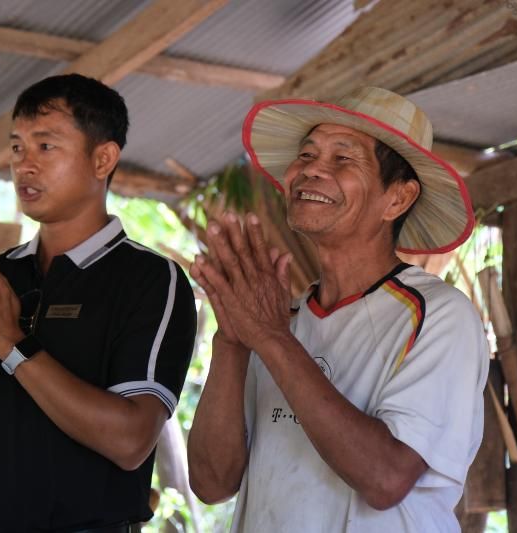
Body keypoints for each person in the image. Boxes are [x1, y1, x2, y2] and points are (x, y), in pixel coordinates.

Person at [0, 73, 197, 533]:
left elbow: (130, 440)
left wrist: (12, 345)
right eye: (17, 147)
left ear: (103, 158)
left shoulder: (150, 280)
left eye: (46, 146)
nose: (25, 165)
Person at [187, 87, 489, 532]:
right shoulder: (276, 319)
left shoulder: (440, 316)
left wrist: (269, 339)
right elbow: (212, 484)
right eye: (306, 154)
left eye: (343, 159)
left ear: (397, 199)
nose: (311, 170)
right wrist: (232, 341)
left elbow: (385, 479)